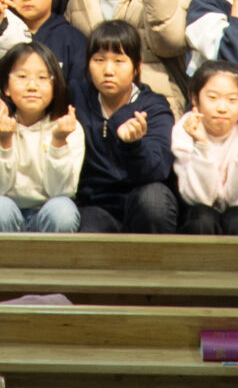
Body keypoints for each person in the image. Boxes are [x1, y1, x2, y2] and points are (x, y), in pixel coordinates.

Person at [71, 20, 180, 233]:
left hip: (140, 198)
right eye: (99, 60)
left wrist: (133, 146)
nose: (108, 70)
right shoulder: (76, 97)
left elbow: (157, 170)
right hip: (94, 205)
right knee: (87, 227)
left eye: (119, 61)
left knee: (154, 200)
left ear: (137, 67)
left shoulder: (153, 107)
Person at [0, 42, 82, 233]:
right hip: (8, 211)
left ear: (55, 85)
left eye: (42, 78)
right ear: (6, 86)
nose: (32, 86)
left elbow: (62, 191)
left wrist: (59, 142)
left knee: (63, 211)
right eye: (22, 77)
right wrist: (4, 141)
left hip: (49, 211)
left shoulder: (67, 127)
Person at [172, 66, 238, 234]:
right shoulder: (185, 129)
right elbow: (200, 198)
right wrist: (201, 143)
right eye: (212, 98)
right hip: (197, 212)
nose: (222, 108)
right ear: (195, 99)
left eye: (232, 100)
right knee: (202, 218)